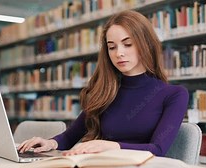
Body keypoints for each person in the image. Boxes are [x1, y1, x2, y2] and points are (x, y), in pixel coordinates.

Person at [18, 10, 189, 157]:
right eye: (112, 47)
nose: (119, 53)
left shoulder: (174, 95)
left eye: (127, 44)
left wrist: (111, 146)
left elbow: (157, 149)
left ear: (146, 44)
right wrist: (50, 143)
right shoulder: (106, 91)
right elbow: (70, 136)